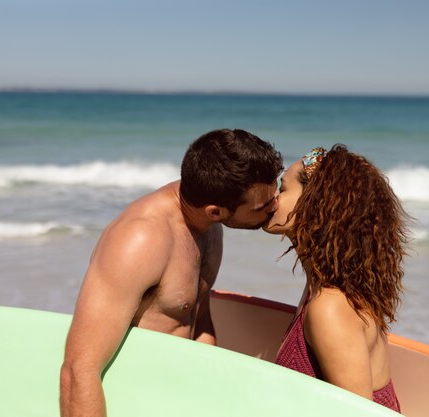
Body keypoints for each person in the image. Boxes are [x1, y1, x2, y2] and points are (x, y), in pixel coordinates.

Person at [60, 129, 284, 417]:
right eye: (263, 207)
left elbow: (198, 316)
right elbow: (79, 370)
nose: (274, 206)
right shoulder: (140, 241)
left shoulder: (209, 219)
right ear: (215, 211)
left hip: (176, 398)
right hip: (130, 402)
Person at [263, 145, 409, 413]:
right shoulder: (324, 284)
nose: (272, 197)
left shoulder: (329, 306)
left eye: (282, 189)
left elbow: (358, 413)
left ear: (315, 205)